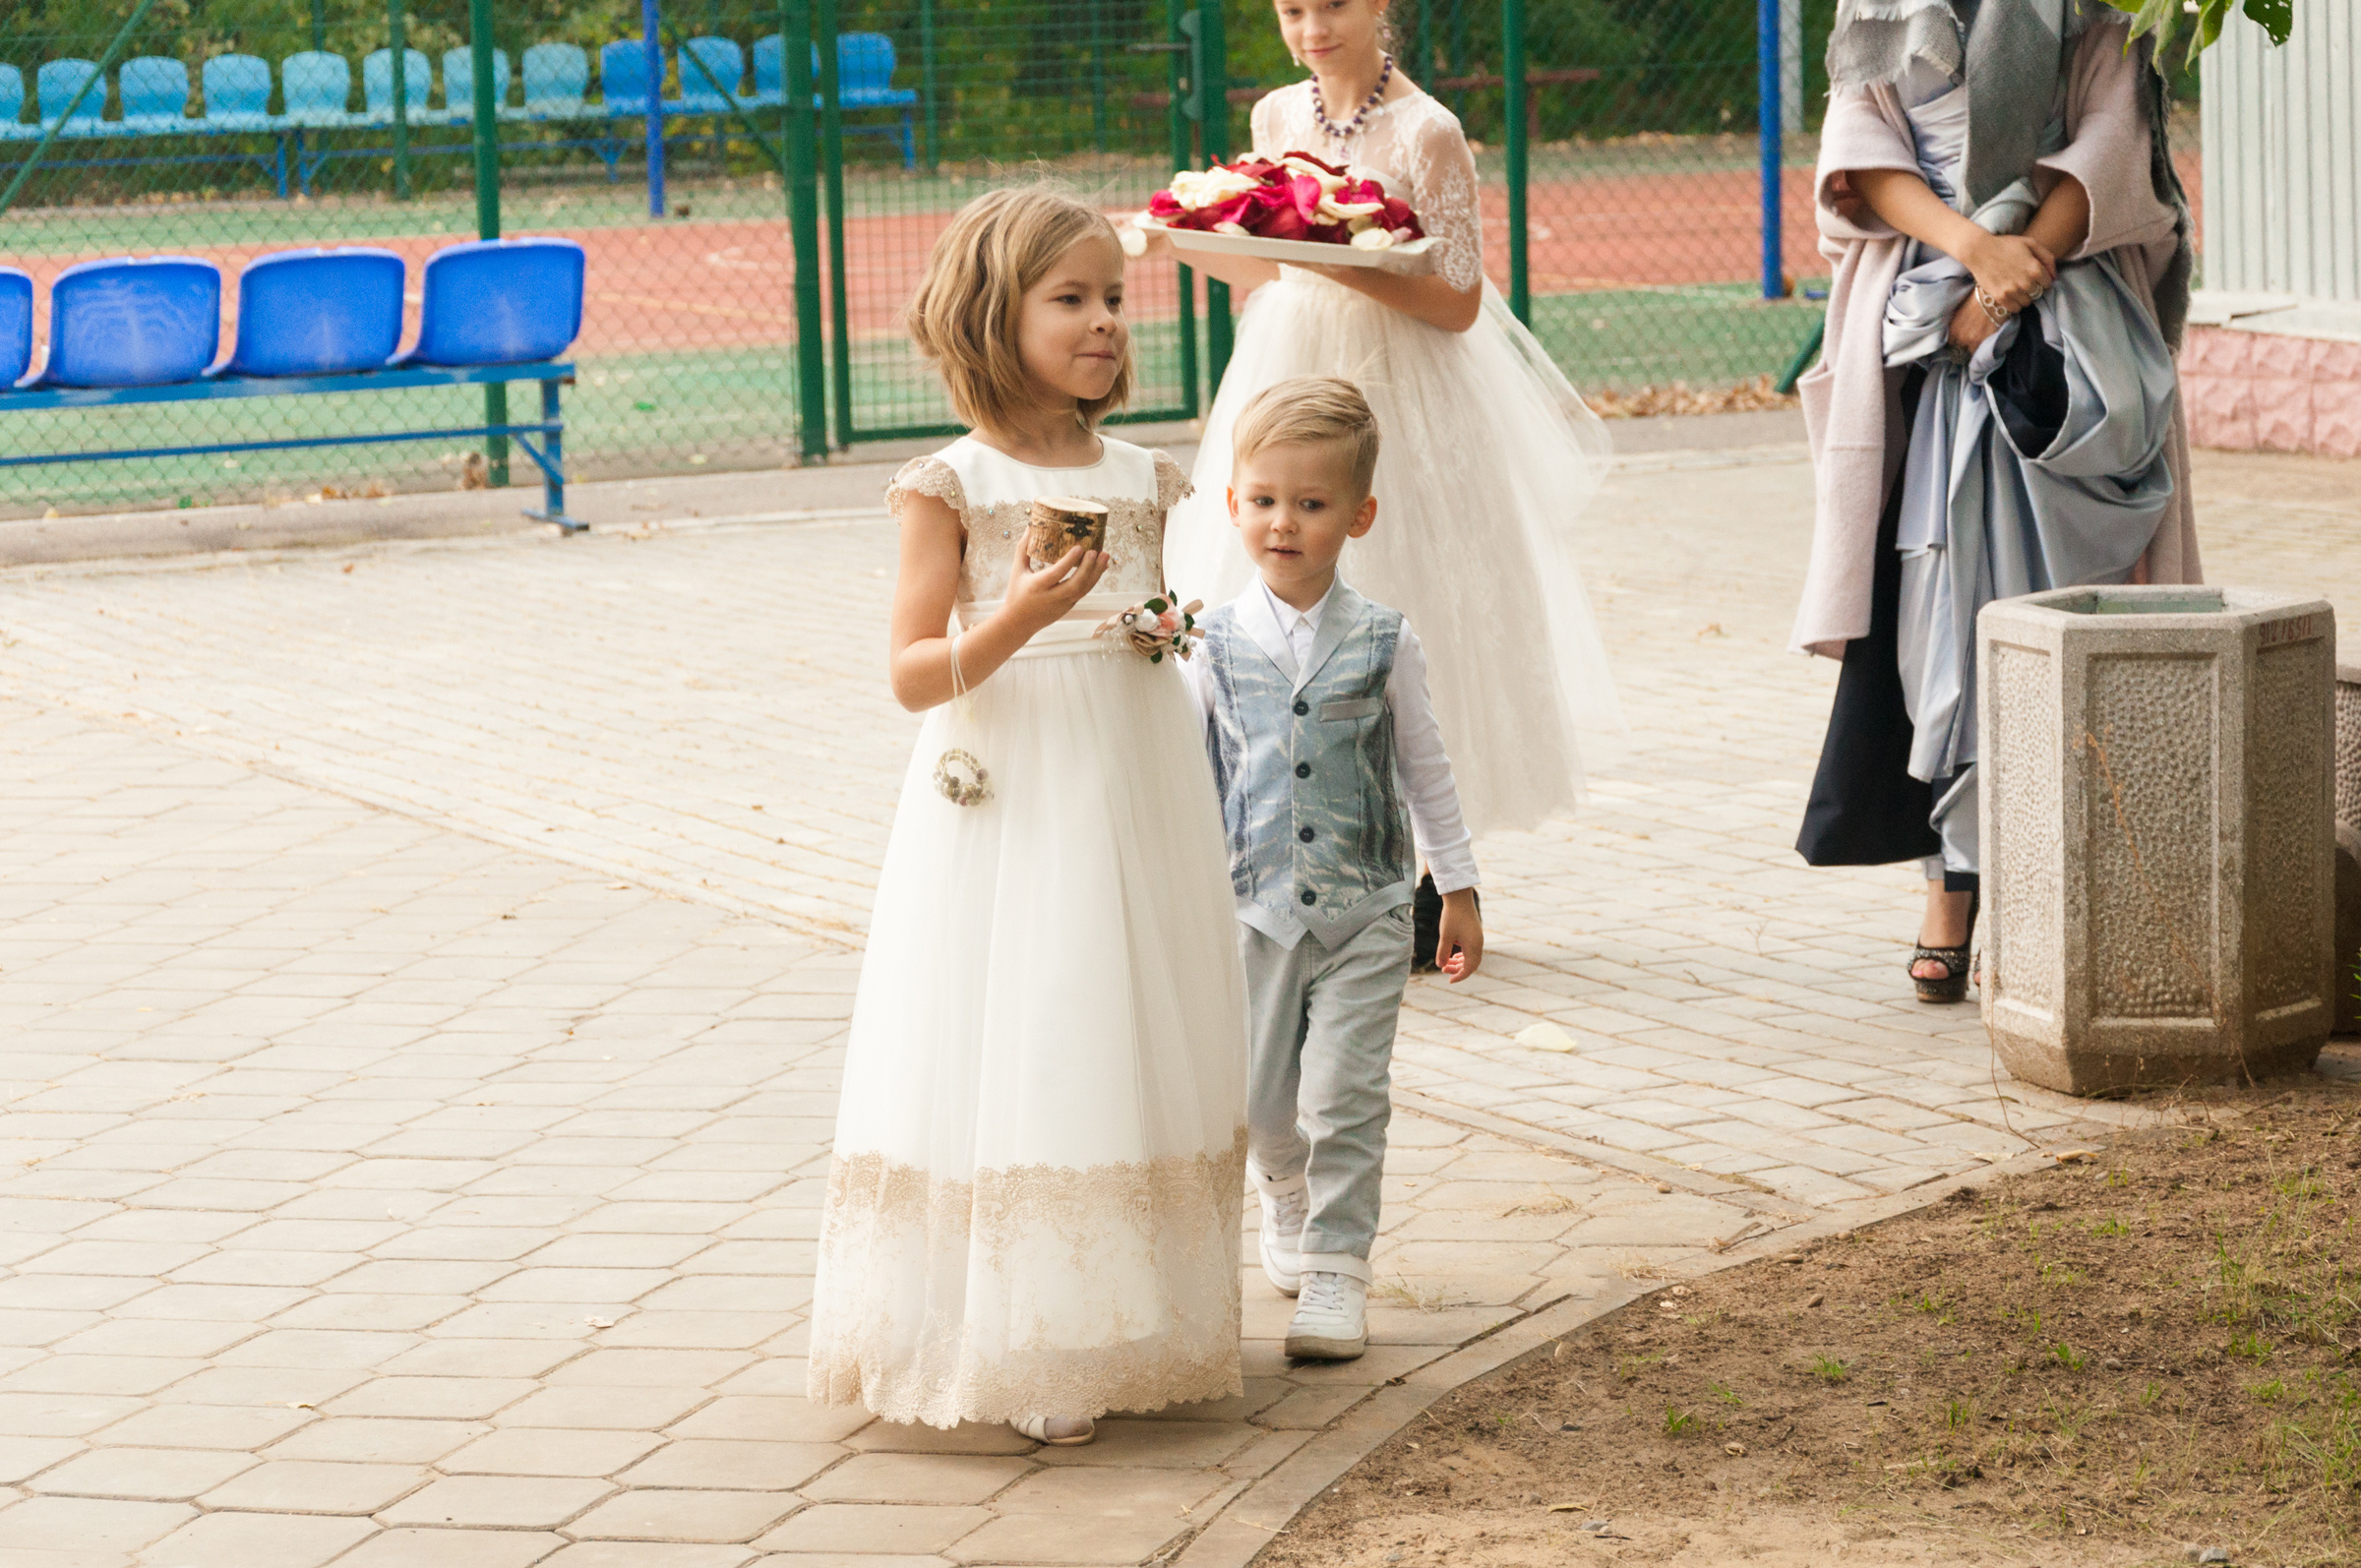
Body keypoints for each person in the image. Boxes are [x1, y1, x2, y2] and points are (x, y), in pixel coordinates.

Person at [807, 187, 1248, 1445]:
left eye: (1115, 297)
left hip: (1137, 783)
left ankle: (1122, 1314)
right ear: (993, 318)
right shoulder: (953, 482)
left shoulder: (1143, 475)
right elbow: (907, 671)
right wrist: (1017, 619)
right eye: (1072, 299)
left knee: (1126, 1008)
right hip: (1017, 790)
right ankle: (1015, 1333)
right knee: (1038, 1009)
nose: (1106, 321)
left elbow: (1166, 627)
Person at [1155, 0, 1617, 961]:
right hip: (1294, 362)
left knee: (1416, 598)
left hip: (1406, 387)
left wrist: (1333, 256)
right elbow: (1267, 269)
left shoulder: (1429, 130)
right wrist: (1204, 237)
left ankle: (1419, 867)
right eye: (1291, 9)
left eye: (1331, 6)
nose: (1311, 27)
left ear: (1378, 9)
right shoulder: (1277, 117)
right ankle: (1282, 841)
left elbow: (1454, 298)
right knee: (1269, 589)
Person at [1790, 0, 2202, 1002]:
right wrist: (1974, 256)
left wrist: (2019, 271)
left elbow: (2117, 137)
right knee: (1939, 617)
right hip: (1935, 322)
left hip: (2066, 318)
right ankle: (1953, 887)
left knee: (2078, 601)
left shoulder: (2102, 6)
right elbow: (1863, 145)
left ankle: (2079, 884)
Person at [1182, 375, 1483, 1361]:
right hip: (1248, 909)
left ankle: (1339, 1275)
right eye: (1264, 500)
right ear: (1232, 505)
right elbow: (1188, 777)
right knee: (1264, 1103)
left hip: (1366, 909)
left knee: (1346, 1094)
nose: (1283, 522)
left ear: (1358, 514)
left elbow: (1426, 765)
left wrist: (1461, 886)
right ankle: (1285, 1189)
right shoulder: (1209, 646)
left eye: (1310, 505)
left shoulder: (1385, 639)